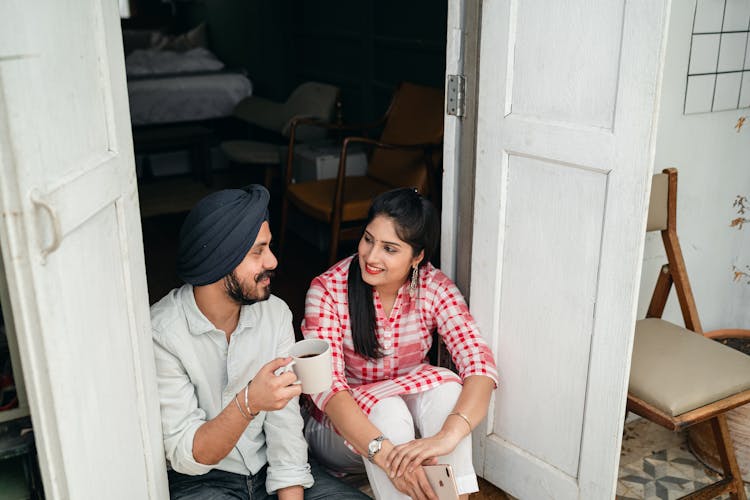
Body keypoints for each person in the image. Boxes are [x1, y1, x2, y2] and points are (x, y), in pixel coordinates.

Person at [150, 185, 369, 500]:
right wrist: (250, 402)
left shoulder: (275, 313)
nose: (273, 260)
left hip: (270, 469)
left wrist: (289, 491)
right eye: (258, 250)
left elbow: (285, 427)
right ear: (219, 259)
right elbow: (188, 453)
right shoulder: (164, 333)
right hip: (202, 482)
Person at [302, 188, 499, 500]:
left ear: (417, 256)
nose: (371, 256)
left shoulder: (434, 286)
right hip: (338, 433)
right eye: (368, 239)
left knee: (449, 391)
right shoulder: (327, 290)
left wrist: (448, 437)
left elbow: (478, 363)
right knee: (389, 410)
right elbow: (327, 389)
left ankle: (455, 498)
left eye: (390, 249)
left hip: (407, 428)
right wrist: (388, 455)